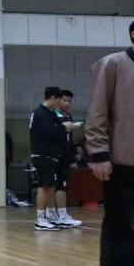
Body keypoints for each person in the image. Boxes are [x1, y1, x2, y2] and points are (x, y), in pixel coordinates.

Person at [85, 19, 134, 266]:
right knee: (121, 235)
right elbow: (97, 113)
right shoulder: (113, 65)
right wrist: (99, 154)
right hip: (122, 165)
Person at [29, 86, 67, 231]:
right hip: (43, 154)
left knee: (50, 186)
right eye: (58, 100)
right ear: (52, 98)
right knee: (44, 186)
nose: (59, 104)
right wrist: (64, 128)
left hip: (49, 155)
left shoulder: (47, 113)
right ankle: (40, 219)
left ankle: (49, 216)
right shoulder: (41, 113)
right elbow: (48, 133)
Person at [50, 89, 83, 228]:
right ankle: (57, 216)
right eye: (65, 100)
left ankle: (60, 215)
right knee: (57, 186)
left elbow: (69, 139)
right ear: (58, 100)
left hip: (66, 156)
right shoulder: (52, 115)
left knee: (62, 185)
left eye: (70, 101)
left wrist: (74, 154)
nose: (67, 103)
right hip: (55, 156)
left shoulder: (68, 116)